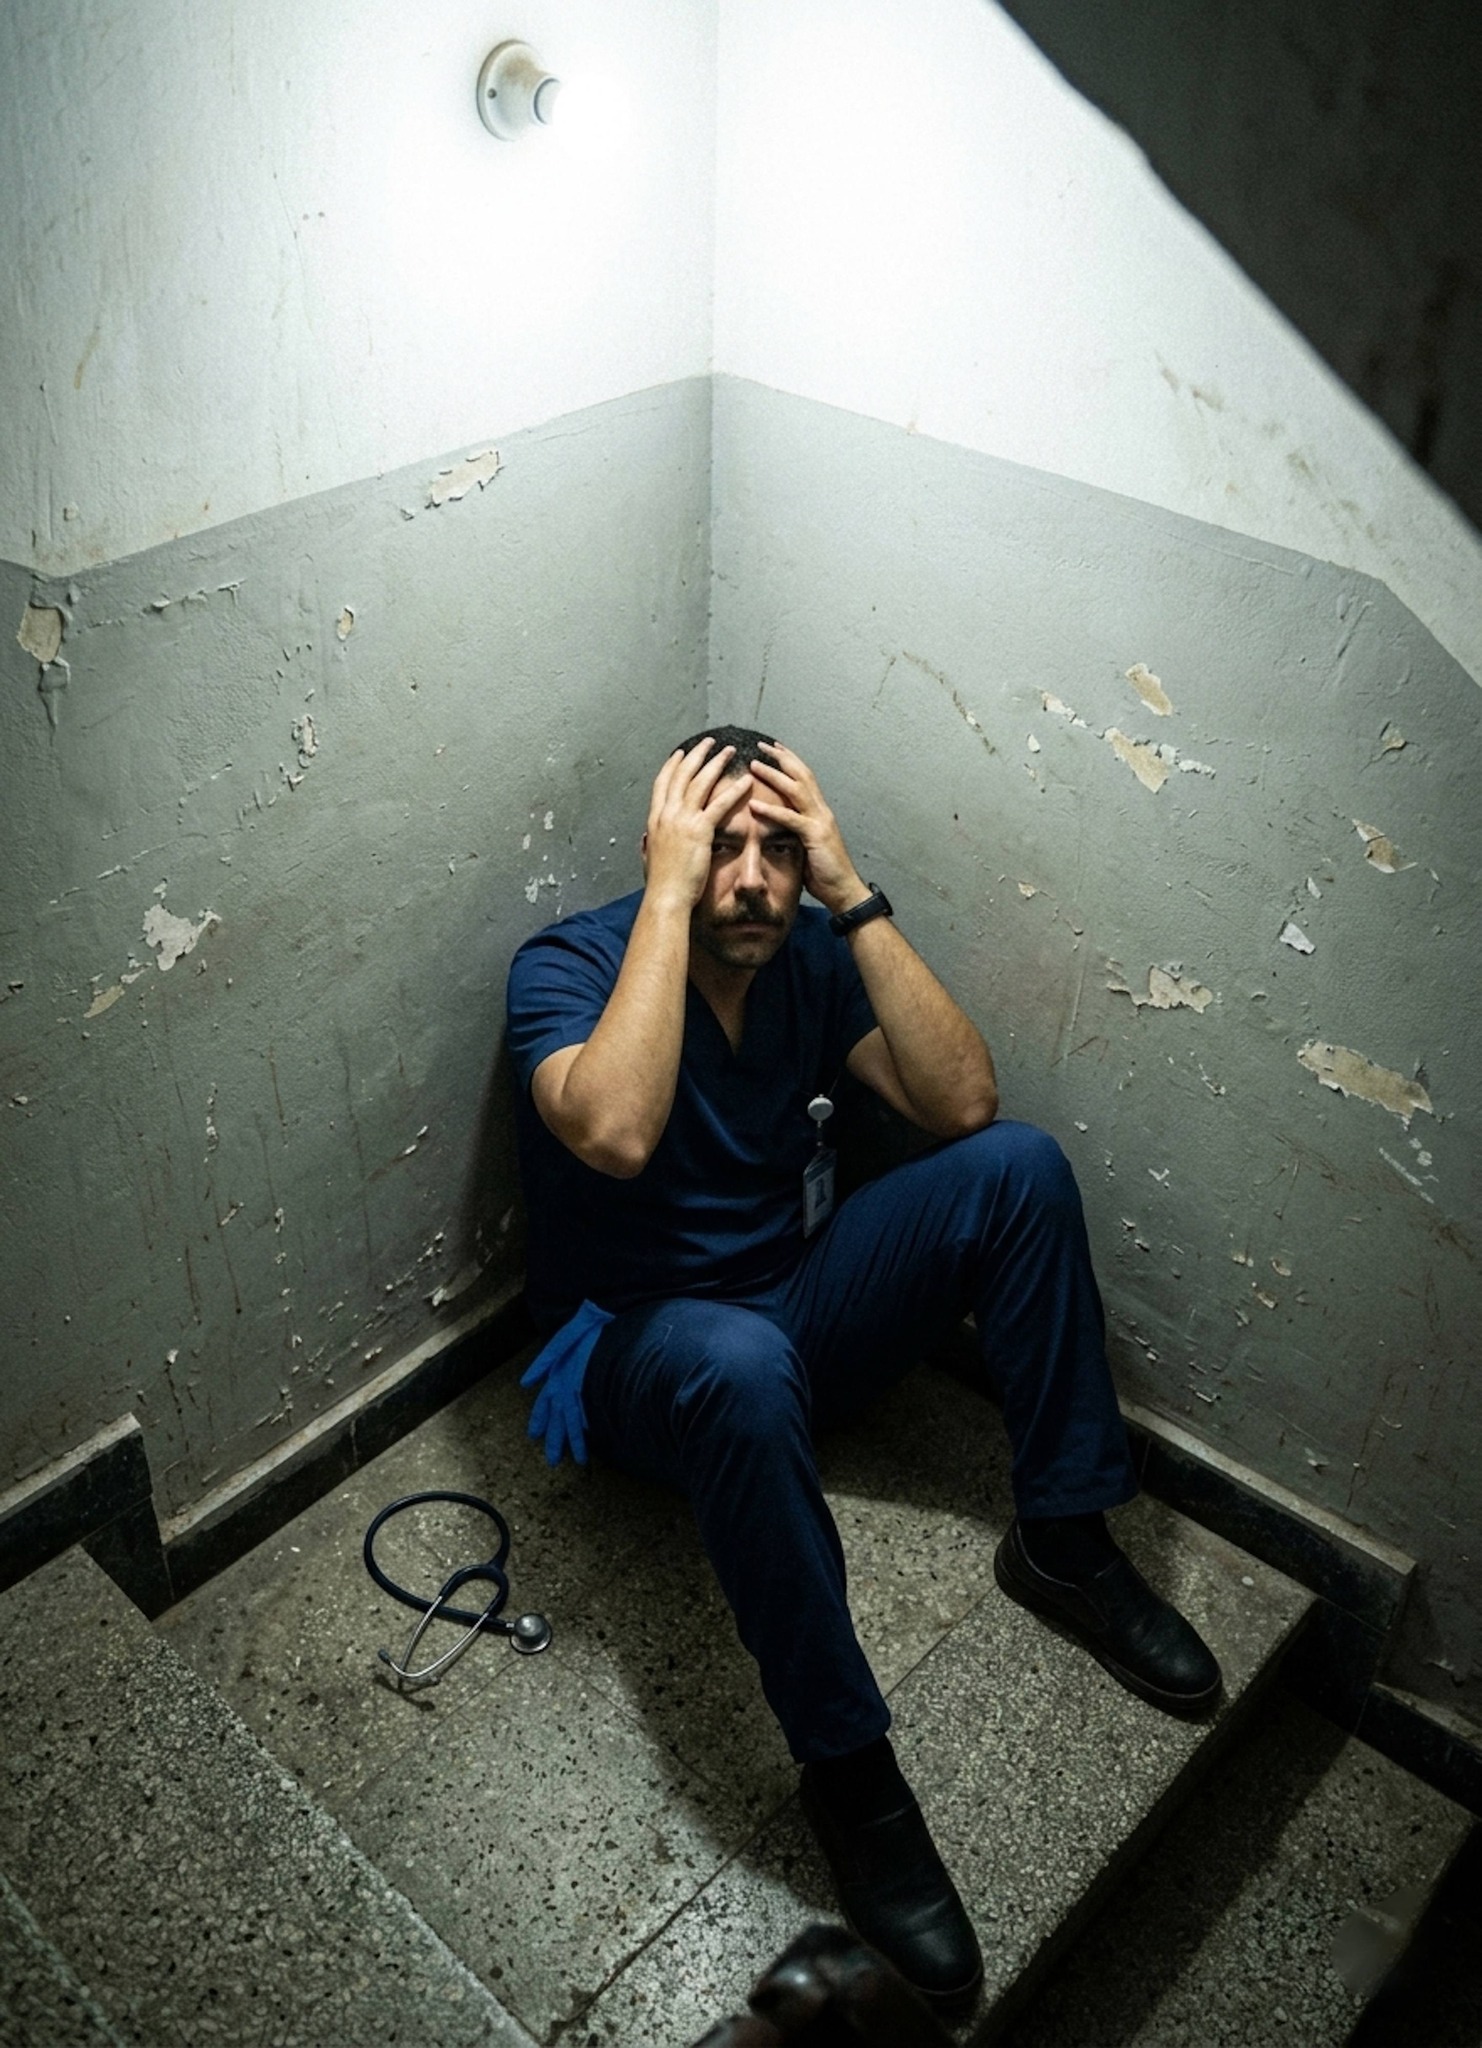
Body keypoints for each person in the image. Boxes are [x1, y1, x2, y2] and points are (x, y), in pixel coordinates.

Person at [505, 727, 1220, 2008]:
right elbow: (610, 1130)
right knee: (734, 1361)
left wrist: (851, 888)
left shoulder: (809, 951)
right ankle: (853, 1772)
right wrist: (669, 895)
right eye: (720, 844)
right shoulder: (566, 962)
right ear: (663, 849)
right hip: (626, 1347)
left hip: (787, 1307)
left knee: (1020, 1170)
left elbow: (962, 1107)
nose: (752, 878)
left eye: (777, 848)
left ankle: (1064, 1533)